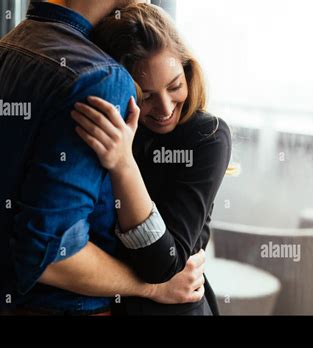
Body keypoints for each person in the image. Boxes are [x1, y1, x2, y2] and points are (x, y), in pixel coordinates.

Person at [0, 0, 206, 316]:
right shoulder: (102, 76)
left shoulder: (4, 50)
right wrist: (154, 287)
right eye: (147, 96)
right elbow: (54, 255)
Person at [71, 3, 232, 315]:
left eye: (175, 87)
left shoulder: (207, 137)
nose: (165, 108)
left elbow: (164, 264)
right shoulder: (106, 126)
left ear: (188, 71)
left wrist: (122, 164)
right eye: (146, 96)